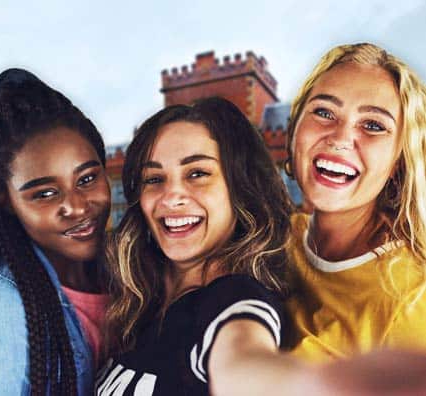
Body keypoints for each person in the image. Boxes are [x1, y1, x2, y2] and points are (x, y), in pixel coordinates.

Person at [97, 97, 295, 396]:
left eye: (197, 174)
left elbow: (245, 362)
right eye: (154, 178)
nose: (171, 197)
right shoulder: (137, 304)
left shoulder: (236, 299)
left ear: (239, 187)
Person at [0, 68, 111, 395]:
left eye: (87, 179)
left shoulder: (131, 273)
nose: (77, 206)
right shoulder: (7, 302)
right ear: (7, 201)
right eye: (44, 193)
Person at [284, 43, 426, 360]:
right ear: (294, 130)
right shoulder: (273, 240)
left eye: (373, 125)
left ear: (399, 161)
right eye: (324, 112)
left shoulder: (412, 301)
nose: (340, 138)